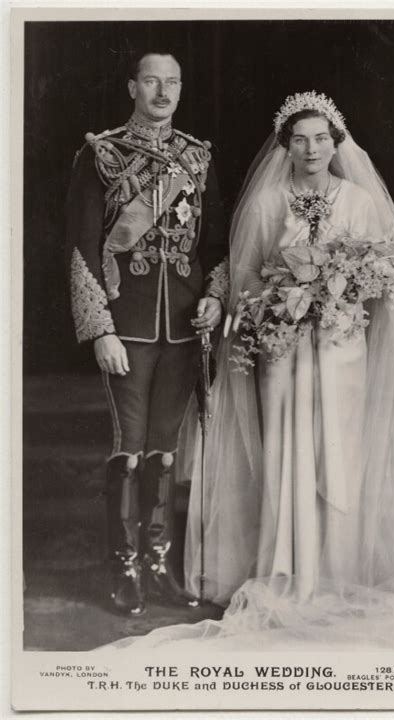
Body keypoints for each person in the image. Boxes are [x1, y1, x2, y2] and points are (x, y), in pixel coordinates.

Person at [101, 91, 394, 651]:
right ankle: (288, 573)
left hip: (340, 349)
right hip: (281, 352)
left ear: (337, 143)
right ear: (285, 146)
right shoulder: (267, 203)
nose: (311, 149)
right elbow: (244, 282)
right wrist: (276, 303)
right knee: (287, 452)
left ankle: (338, 574)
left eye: (321, 138)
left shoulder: (360, 201)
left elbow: (391, 276)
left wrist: (341, 290)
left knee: (337, 453)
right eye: (300, 139)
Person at [66, 51, 228, 617]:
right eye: (152, 81)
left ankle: (160, 568)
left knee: (165, 450)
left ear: (181, 90)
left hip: (184, 327)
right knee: (128, 451)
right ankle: (125, 569)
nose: (162, 92)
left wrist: (214, 296)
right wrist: (100, 329)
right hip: (127, 324)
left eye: (172, 83)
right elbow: (84, 246)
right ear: (133, 86)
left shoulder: (197, 157)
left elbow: (215, 246)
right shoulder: (102, 154)